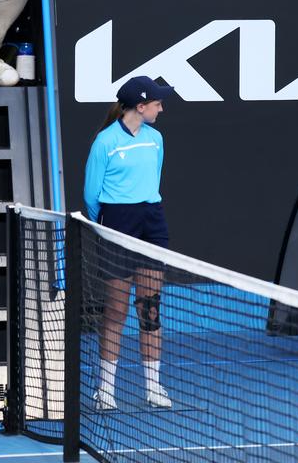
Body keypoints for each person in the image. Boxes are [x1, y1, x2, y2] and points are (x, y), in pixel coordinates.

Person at [85, 76, 176, 411]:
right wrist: (106, 228)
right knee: (117, 310)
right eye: (157, 103)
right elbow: (91, 196)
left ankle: (153, 387)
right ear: (141, 106)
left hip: (152, 222)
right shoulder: (105, 143)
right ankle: (105, 390)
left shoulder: (156, 139)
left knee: (150, 309)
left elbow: (153, 180)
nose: (161, 108)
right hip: (117, 225)